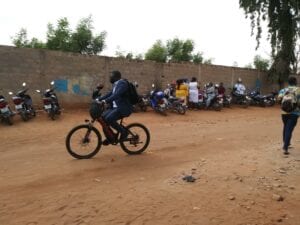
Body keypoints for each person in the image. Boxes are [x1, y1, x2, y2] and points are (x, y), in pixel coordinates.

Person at [98, 71, 133, 145]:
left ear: (116, 77)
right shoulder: (115, 85)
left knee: (109, 119)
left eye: (111, 76)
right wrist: (98, 99)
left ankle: (124, 132)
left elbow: (116, 95)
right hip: (115, 108)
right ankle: (111, 137)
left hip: (123, 108)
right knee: (102, 119)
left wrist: (105, 101)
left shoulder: (123, 84)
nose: (110, 78)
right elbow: (110, 94)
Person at [277, 76, 300, 155]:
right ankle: (285, 147)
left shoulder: (283, 90)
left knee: (286, 127)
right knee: (289, 129)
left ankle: (287, 143)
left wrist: (284, 106)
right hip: (294, 113)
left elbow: (279, 99)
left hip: (284, 113)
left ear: (288, 82)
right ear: (295, 82)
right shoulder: (298, 90)